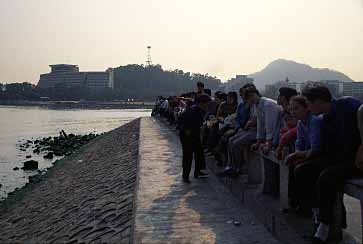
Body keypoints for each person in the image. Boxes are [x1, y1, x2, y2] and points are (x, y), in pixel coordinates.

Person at [301, 85, 362, 243]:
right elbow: (327, 148)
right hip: (339, 158)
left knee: (327, 177)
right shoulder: (325, 118)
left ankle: (325, 226)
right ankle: (318, 214)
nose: (307, 107)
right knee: (304, 169)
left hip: (357, 160)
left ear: (319, 101)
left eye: (308, 103)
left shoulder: (349, 106)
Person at [285, 95, 322, 215]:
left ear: (307, 108)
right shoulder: (301, 123)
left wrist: (298, 155)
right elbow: (299, 143)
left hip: (319, 156)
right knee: (292, 165)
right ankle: (295, 202)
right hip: (308, 154)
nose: (293, 112)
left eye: (296, 109)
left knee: (301, 170)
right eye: (291, 109)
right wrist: (297, 155)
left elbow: (316, 148)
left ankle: (308, 206)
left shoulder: (315, 121)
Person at [178, 94, 211, 183]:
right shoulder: (194, 110)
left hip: (194, 134)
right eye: (207, 104)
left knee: (199, 152)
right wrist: (186, 130)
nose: (207, 107)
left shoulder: (198, 110)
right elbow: (181, 119)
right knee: (188, 154)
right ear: (202, 103)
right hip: (186, 134)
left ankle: (198, 172)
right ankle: (185, 176)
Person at [247, 87, 282, 154]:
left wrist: (269, 144)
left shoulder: (268, 104)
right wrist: (258, 143)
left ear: (254, 95)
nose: (250, 100)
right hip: (274, 134)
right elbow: (260, 125)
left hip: (279, 131)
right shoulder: (257, 105)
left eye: (251, 96)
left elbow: (270, 126)